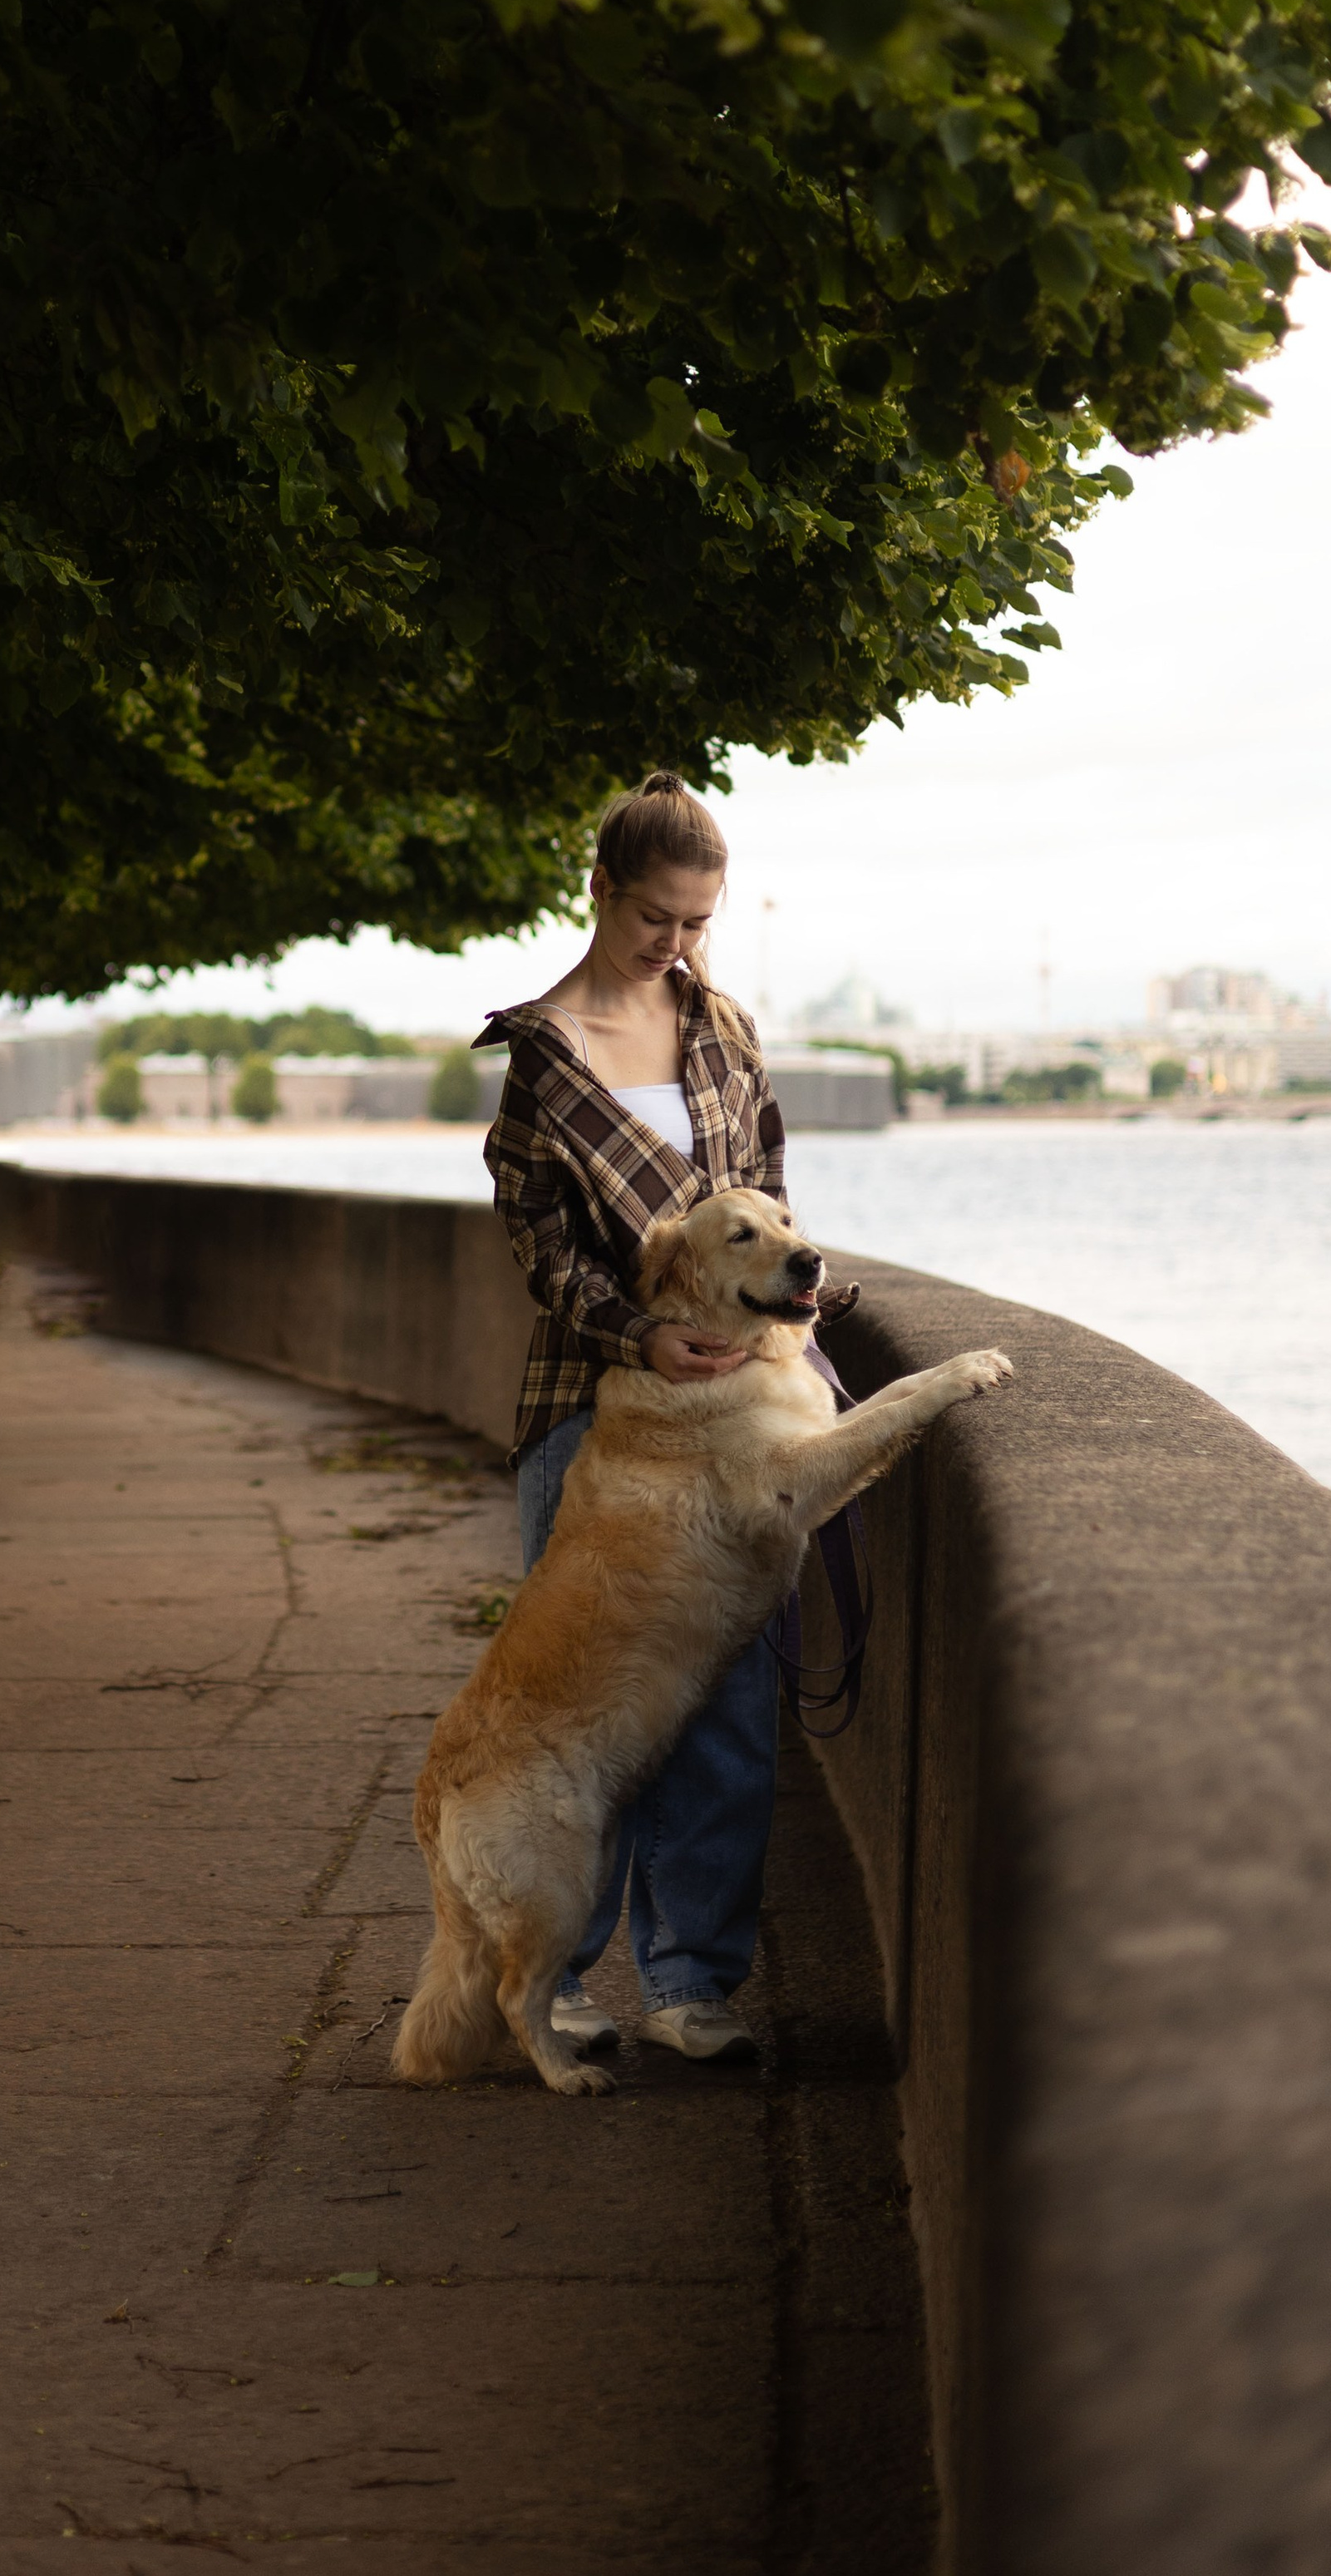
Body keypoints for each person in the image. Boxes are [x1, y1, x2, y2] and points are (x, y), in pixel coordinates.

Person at [473, 770, 814, 2063]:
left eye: (697, 923)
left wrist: (780, 1321)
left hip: (739, 1403)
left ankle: (690, 1979)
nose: (676, 947)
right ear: (600, 889)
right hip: (591, 1403)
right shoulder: (543, 1058)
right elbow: (543, 1256)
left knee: (727, 1700)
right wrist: (642, 1332)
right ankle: (555, 1976)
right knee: (586, 1710)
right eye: (655, 919)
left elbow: (771, 1198)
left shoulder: (722, 1028)